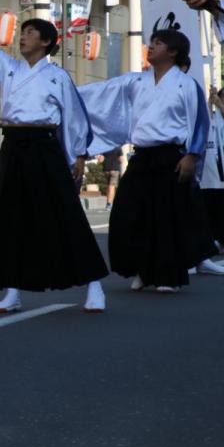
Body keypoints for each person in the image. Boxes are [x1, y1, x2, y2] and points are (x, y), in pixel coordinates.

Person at [0, 0, 107, 314]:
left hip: (44, 147)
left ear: (45, 42)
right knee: (11, 219)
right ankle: (12, 290)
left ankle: (94, 285)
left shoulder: (58, 77)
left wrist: (79, 154)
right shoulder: (8, 68)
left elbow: (75, 118)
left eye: (28, 32)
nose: (21, 36)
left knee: (65, 214)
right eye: (22, 32)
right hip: (13, 144)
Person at [78, 30, 221, 292]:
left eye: (158, 43)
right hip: (142, 156)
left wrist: (192, 155)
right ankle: (143, 269)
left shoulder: (186, 84)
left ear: (173, 52)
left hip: (172, 157)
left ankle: (168, 276)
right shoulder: (136, 82)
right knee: (130, 214)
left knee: (166, 218)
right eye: (152, 42)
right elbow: (102, 93)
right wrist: (69, 93)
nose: (151, 47)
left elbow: (201, 123)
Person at [201, 87, 224, 248]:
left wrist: (220, 106)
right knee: (211, 206)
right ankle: (214, 239)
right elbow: (205, 121)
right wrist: (210, 101)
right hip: (210, 171)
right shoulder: (214, 116)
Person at [101, 146, 123, 211]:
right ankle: (109, 204)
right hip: (115, 169)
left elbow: (101, 159)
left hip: (106, 169)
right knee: (112, 187)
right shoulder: (118, 147)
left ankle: (108, 202)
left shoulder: (105, 147)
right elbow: (121, 160)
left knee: (108, 186)